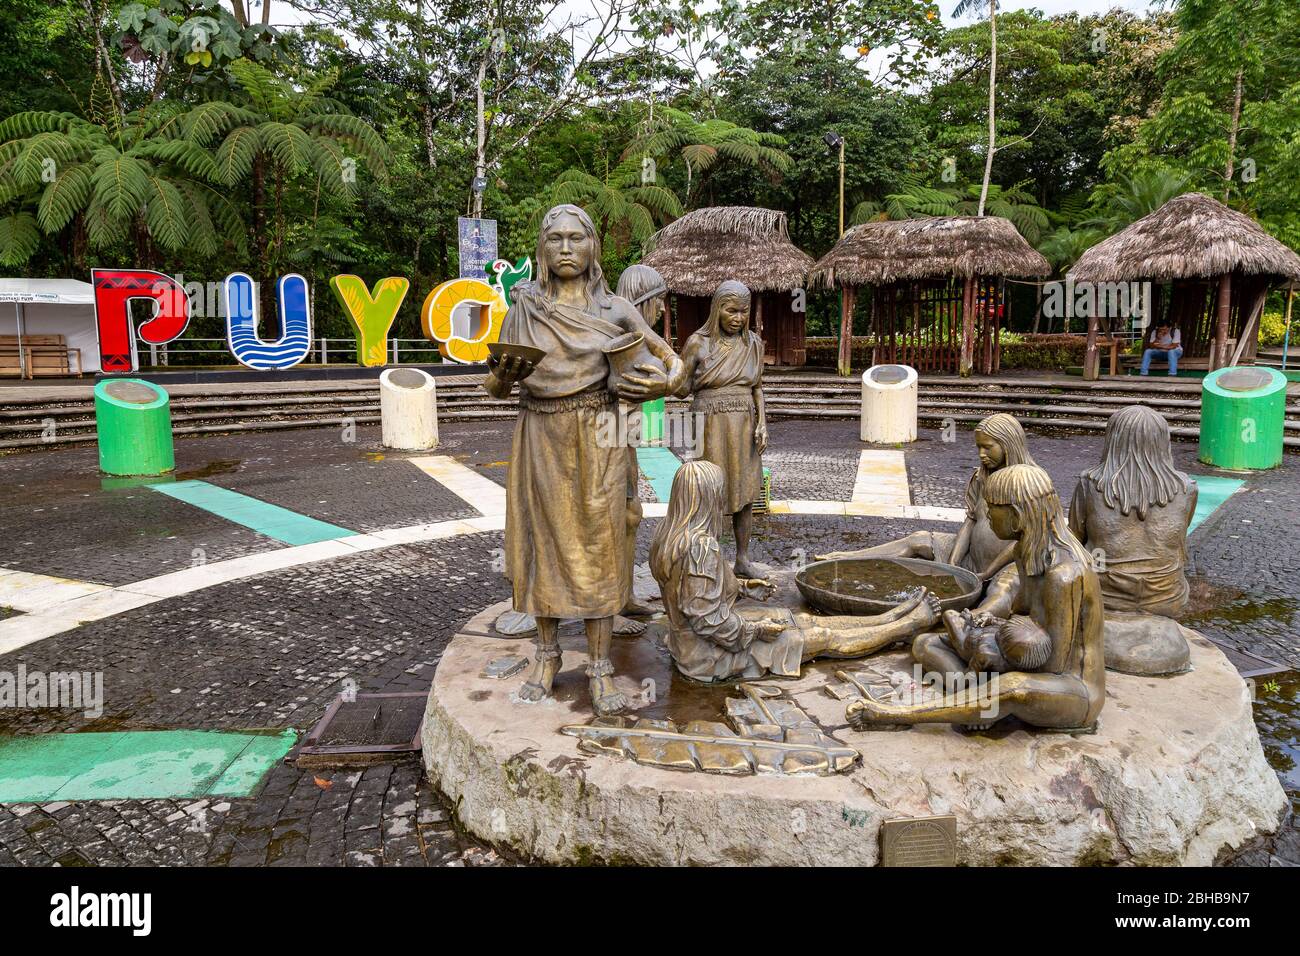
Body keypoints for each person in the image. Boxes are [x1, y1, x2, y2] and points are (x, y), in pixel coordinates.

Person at [484, 204, 684, 716]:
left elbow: (674, 362)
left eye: (577, 238)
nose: (567, 248)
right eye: (556, 240)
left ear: (593, 246)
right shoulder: (524, 306)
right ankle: (546, 656)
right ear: (542, 249)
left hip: (601, 434)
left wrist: (667, 382)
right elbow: (494, 385)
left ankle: (598, 666)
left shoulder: (615, 309)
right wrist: (502, 378)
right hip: (539, 434)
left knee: (600, 543)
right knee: (543, 543)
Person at [848, 464, 1106, 731]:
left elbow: (1052, 665)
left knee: (1012, 688)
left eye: (992, 508)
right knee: (927, 643)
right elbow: (1020, 615)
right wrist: (988, 626)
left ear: (1016, 516)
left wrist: (995, 658)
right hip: (1018, 655)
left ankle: (893, 714)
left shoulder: (1064, 576)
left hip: (1070, 688)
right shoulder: (1024, 551)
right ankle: (975, 700)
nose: (987, 515)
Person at [649, 461, 941, 683]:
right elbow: (708, 623)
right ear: (707, 498)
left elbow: (692, 595)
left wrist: (742, 588)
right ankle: (905, 625)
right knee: (822, 637)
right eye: (719, 493)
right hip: (709, 655)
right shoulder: (701, 548)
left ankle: (887, 616)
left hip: (687, 644)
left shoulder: (667, 535)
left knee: (800, 620)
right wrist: (757, 630)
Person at [822, 413, 1036, 621]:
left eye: (988, 447)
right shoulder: (982, 477)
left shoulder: (1029, 484)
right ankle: (848, 559)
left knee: (1004, 588)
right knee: (919, 539)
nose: (981, 453)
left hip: (1009, 565)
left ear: (1008, 445)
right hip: (972, 558)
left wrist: (988, 572)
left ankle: (973, 620)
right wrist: (953, 561)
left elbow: (1027, 539)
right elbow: (971, 520)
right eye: (978, 447)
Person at [1068, 404, 1197, 618]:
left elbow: (1073, 541)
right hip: (1167, 596)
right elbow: (1179, 543)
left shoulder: (1090, 485)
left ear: (1113, 440)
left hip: (1104, 594)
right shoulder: (1187, 488)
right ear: (1162, 441)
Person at [676, 280, 767, 578]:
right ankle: (709, 559)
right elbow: (680, 387)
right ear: (717, 310)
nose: (738, 318)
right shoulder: (698, 343)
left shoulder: (752, 343)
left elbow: (757, 387)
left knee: (746, 492)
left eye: (743, 312)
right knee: (710, 492)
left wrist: (762, 422)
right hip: (709, 421)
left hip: (744, 421)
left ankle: (742, 558)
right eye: (731, 311)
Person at [613, 264, 672, 618]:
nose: (663, 309)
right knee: (619, 516)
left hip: (623, 439)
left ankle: (623, 594)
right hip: (608, 439)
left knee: (631, 515)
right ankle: (611, 606)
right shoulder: (619, 333)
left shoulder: (634, 335)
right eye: (659, 300)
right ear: (644, 300)